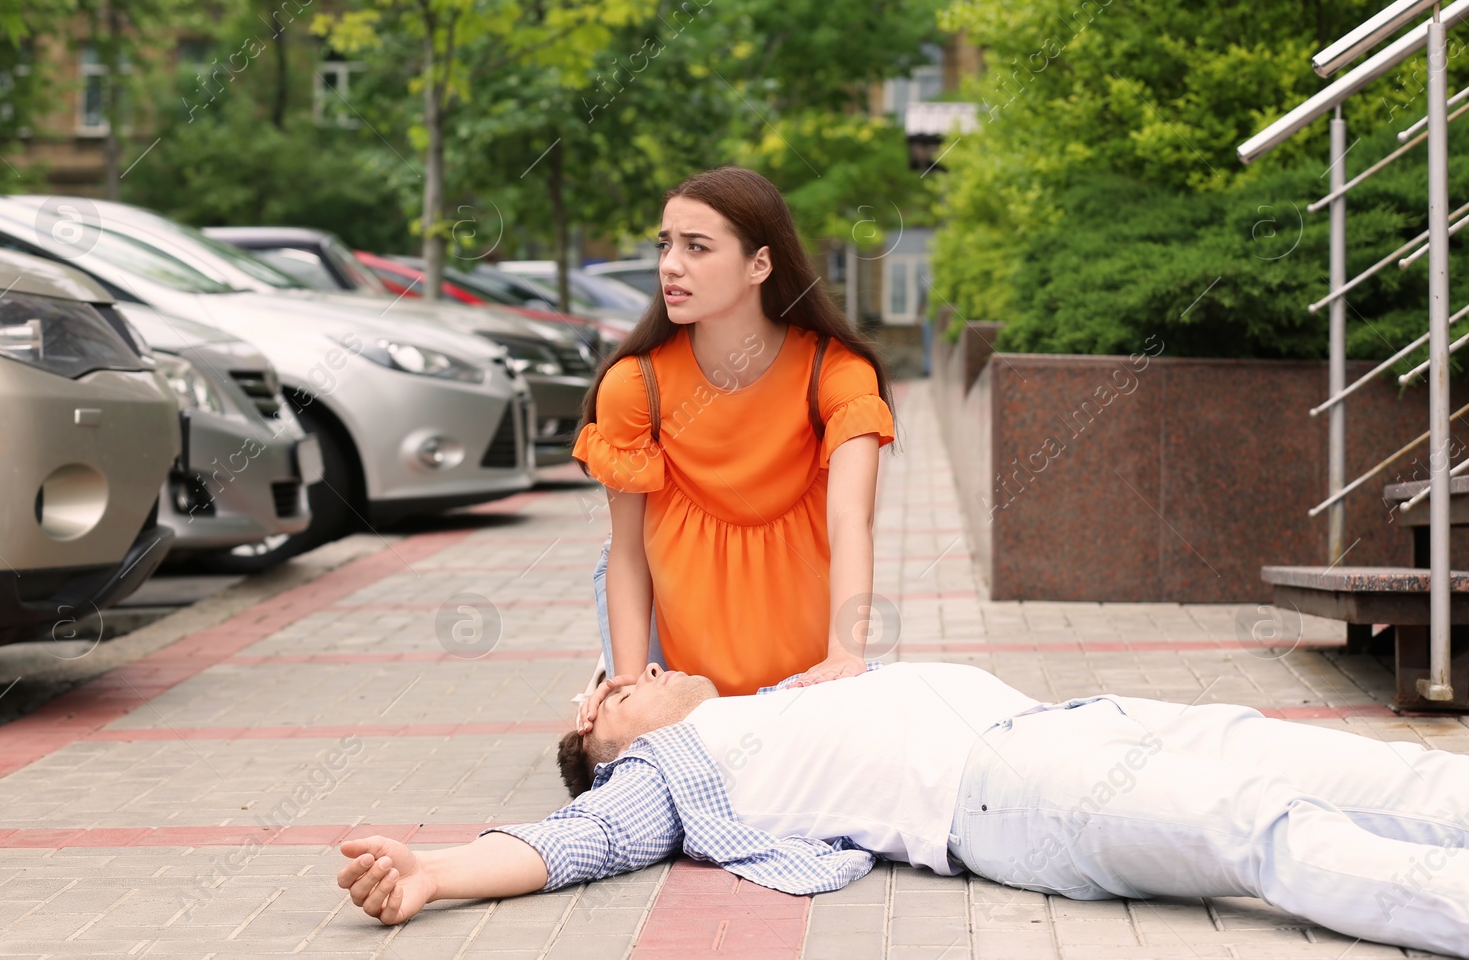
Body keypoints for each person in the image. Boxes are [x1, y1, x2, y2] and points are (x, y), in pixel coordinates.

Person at [336, 662, 1469, 957]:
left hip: (1077, 720)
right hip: (1016, 794)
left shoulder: (759, 703)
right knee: (1263, 826)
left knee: (1371, 770)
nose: (636, 675)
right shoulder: (664, 771)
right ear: (606, 742)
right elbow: (574, 839)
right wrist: (434, 868)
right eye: (610, 693)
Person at [571, 167, 897, 721]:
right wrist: (630, 688)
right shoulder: (635, 385)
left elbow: (851, 523)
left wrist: (845, 657)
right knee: (612, 760)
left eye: (697, 247)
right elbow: (627, 552)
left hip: (806, 673)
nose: (670, 265)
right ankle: (605, 678)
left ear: (760, 265)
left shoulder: (833, 373)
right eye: (666, 244)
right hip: (682, 678)